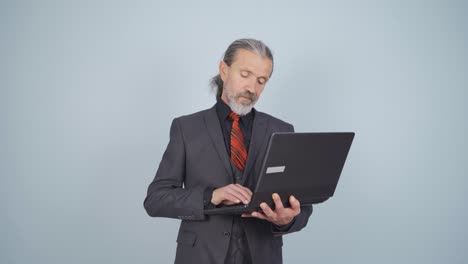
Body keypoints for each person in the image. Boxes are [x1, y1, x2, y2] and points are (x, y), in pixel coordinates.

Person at [144, 38, 313, 264]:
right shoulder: (186, 128)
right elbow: (156, 199)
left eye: (261, 81)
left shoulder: (282, 130)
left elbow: (302, 209)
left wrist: (286, 220)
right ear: (224, 70)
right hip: (200, 256)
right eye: (245, 75)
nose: (252, 88)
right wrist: (210, 196)